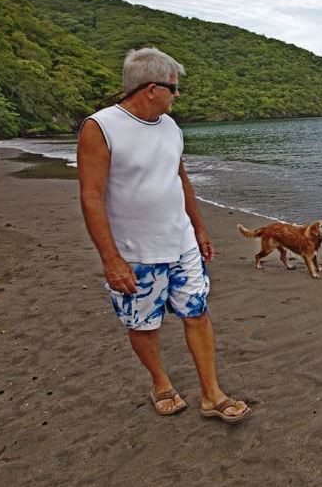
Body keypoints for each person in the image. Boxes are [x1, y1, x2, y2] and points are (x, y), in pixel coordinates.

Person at [77, 47, 250, 423]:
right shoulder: (100, 127)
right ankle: (160, 382)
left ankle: (211, 393)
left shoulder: (170, 126)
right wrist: (110, 259)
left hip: (181, 242)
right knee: (143, 323)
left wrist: (199, 227)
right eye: (174, 88)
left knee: (197, 312)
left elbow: (179, 177)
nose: (178, 95)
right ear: (151, 88)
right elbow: (91, 196)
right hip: (135, 253)